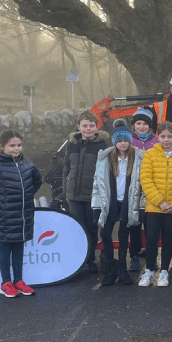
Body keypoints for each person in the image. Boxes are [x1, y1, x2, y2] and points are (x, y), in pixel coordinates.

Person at [0, 130, 42, 298]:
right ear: (2, 147)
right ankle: (5, 283)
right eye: (12, 146)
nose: (16, 148)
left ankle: (18, 280)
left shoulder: (27, 164)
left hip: (23, 216)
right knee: (5, 249)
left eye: (19, 145)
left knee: (19, 247)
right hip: (4, 216)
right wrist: (0, 199)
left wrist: (26, 196)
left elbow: (37, 180)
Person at [91, 120, 145, 286]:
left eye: (126, 140)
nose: (123, 143)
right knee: (106, 233)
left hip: (129, 201)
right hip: (110, 201)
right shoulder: (105, 158)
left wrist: (141, 206)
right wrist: (96, 206)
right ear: (115, 142)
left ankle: (122, 269)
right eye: (120, 140)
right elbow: (97, 183)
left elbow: (142, 183)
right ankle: (110, 268)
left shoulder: (138, 157)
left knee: (123, 236)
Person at [139, 121, 172, 287]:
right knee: (152, 239)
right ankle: (149, 270)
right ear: (157, 136)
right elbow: (146, 179)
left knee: (169, 240)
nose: (166, 139)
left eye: (170, 136)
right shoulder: (150, 154)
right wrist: (160, 201)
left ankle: (164, 271)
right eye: (163, 136)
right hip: (154, 207)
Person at [62, 111, 110, 273]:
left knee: (91, 228)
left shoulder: (102, 146)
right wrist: (65, 190)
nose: (88, 129)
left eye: (91, 126)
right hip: (74, 195)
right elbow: (66, 169)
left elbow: (106, 172)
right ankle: (78, 261)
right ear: (78, 126)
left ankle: (90, 261)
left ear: (97, 127)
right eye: (85, 126)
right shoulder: (72, 144)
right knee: (77, 228)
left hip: (93, 195)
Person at [129, 107, 159, 271]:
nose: (141, 126)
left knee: (151, 226)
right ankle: (133, 255)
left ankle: (151, 256)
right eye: (138, 123)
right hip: (133, 189)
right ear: (133, 125)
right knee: (134, 224)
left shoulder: (156, 142)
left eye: (145, 124)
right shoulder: (127, 141)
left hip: (151, 189)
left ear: (150, 126)